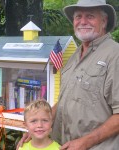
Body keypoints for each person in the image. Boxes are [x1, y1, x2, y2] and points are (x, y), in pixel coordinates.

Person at [17, 0, 119, 149]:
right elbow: (66, 100)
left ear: (104, 21)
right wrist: (38, 126)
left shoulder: (114, 55)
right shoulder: (75, 55)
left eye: (90, 16)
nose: (82, 21)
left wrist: (85, 142)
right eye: (78, 17)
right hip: (62, 144)